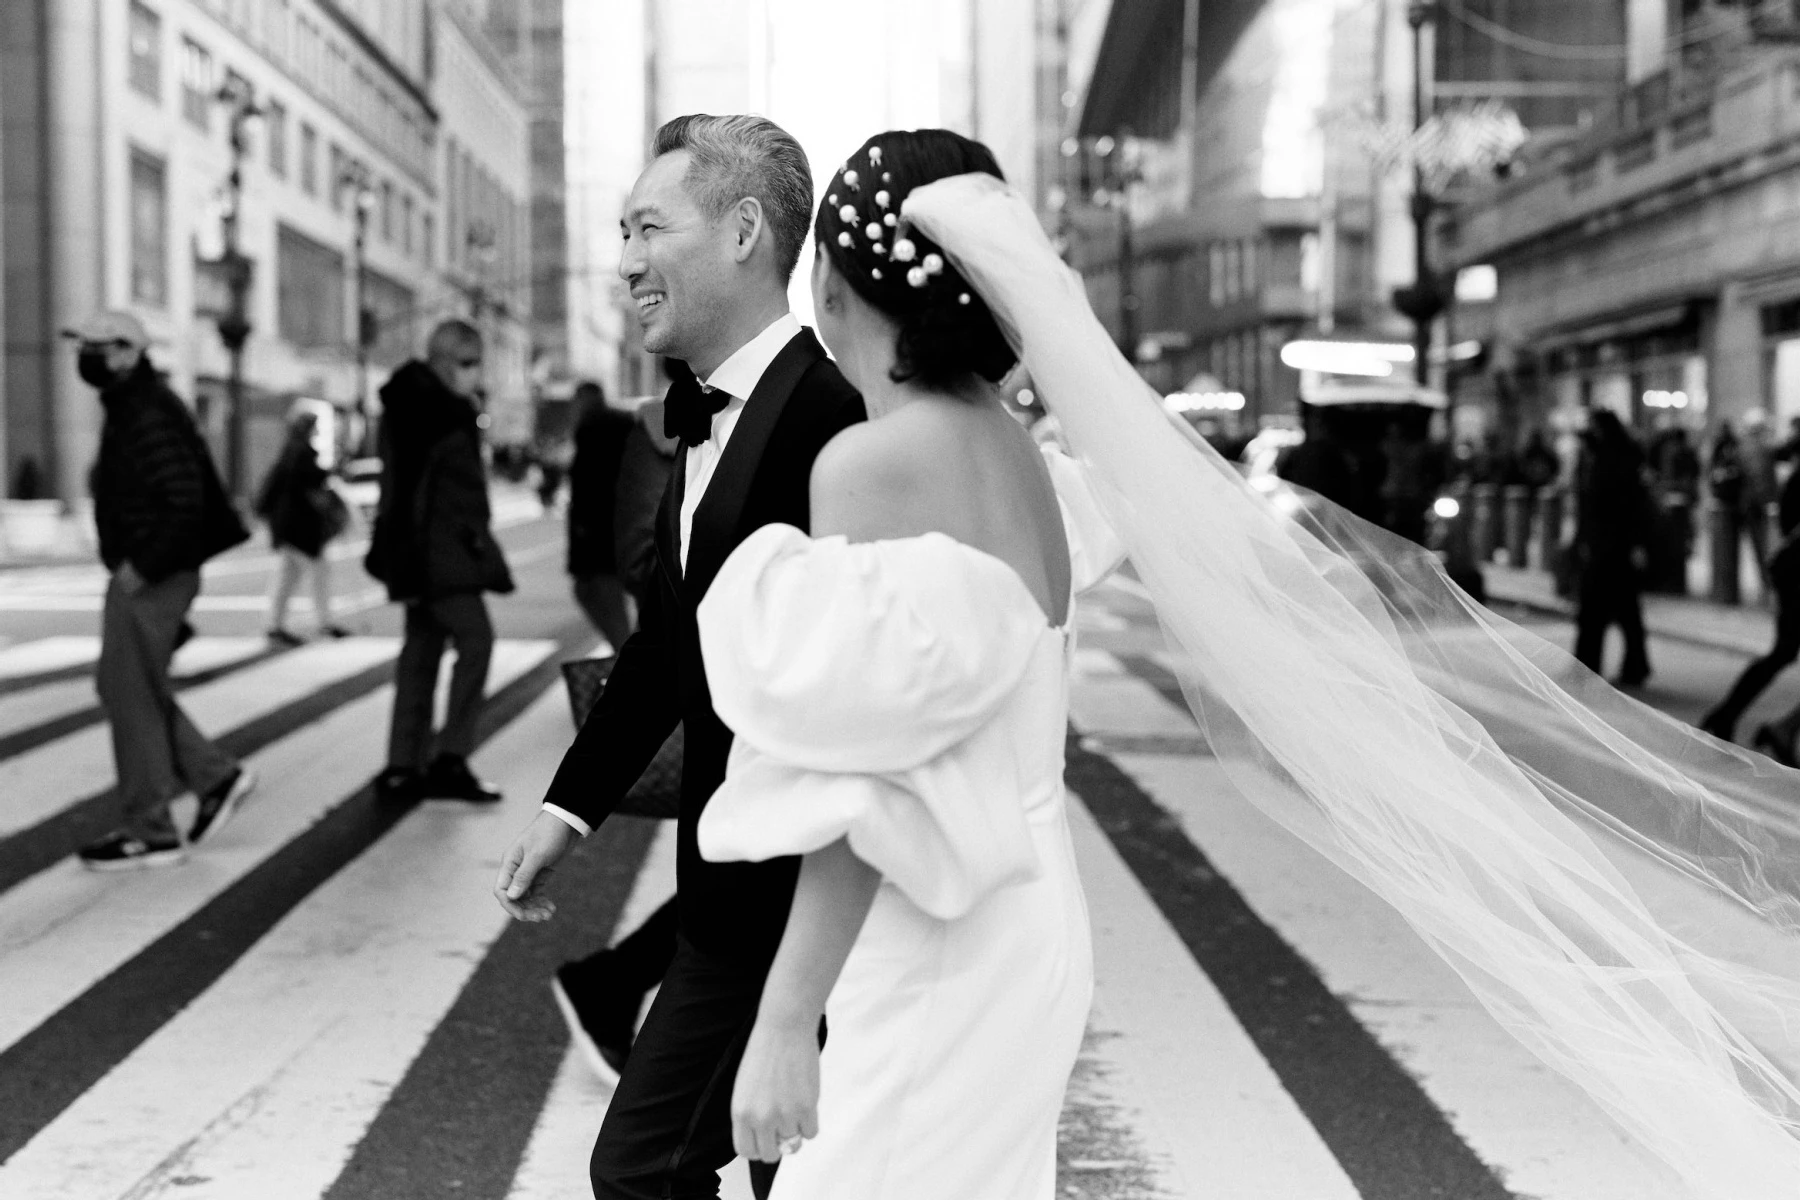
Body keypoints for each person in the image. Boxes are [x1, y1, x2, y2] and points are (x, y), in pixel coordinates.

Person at [688, 130, 1113, 1198]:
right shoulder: (1015, 449)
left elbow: (873, 772)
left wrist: (786, 1021)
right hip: (1035, 918)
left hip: (944, 930)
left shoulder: (879, 460)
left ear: (830, 280)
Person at [495, 114, 863, 1200]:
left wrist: (803, 988)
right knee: (751, 1175)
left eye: (648, 227)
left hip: (793, 904)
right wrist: (570, 811)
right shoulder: (703, 420)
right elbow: (669, 641)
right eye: (618, 231)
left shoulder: (834, 423)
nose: (623, 262)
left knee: (647, 1165)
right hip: (725, 893)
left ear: (745, 230)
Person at [70, 310, 256, 869]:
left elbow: (185, 500)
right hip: (149, 569)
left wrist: (142, 566)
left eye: (98, 346)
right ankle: (213, 778)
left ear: (128, 352)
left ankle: (150, 827)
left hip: (153, 573)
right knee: (126, 685)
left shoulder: (146, 410)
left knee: (129, 691)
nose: (87, 356)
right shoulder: (134, 406)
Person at [550, 378, 685, 1087]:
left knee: (755, 872)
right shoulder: (661, 426)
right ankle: (611, 983)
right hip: (707, 679)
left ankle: (612, 982)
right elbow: (636, 560)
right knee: (752, 869)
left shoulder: (809, 398)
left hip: (785, 689)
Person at [365, 319, 515, 805]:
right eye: (468, 364)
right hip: (440, 554)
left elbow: (398, 493)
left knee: (421, 652)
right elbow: (411, 495)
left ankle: (402, 765)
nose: (475, 375)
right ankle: (450, 758)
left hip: (427, 554)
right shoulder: (438, 414)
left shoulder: (415, 407)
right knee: (477, 642)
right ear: (444, 361)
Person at [1571, 409, 1653, 687]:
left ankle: (1595, 664)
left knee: (1606, 607)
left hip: (1614, 544)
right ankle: (1616, 664)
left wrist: (1636, 543)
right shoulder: (1597, 457)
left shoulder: (1619, 458)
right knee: (1620, 607)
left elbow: (1629, 504)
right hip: (1605, 543)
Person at [256, 405, 350, 645]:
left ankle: (275, 624)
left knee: (289, 575)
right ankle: (323, 622)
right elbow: (312, 483)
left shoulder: (290, 451)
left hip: (288, 526)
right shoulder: (302, 454)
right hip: (299, 528)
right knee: (317, 572)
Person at [565, 380, 639, 652]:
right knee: (601, 596)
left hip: (600, 536)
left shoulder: (591, 430)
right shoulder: (620, 426)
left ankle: (627, 663)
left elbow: (587, 488)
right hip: (620, 530)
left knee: (599, 596)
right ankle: (627, 658)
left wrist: (584, 530)